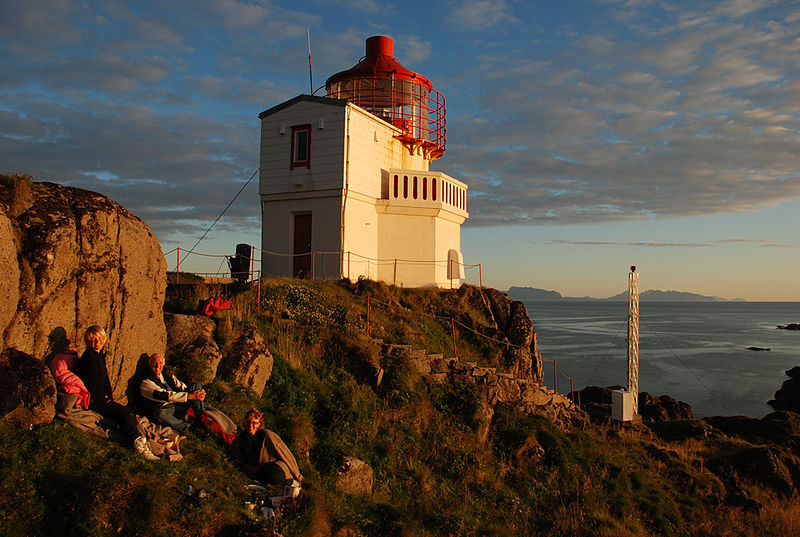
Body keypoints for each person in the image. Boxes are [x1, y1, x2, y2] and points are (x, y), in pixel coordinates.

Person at [75, 325, 159, 461]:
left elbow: (105, 380)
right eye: (93, 339)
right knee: (124, 413)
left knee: (126, 413)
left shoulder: (98, 356)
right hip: (94, 399)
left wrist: (110, 397)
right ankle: (138, 445)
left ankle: (139, 440)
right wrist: (106, 399)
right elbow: (92, 384)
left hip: (102, 397)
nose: (97, 342)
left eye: (100, 338)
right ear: (88, 341)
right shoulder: (89, 358)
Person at [231, 408, 303, 496]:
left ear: (259, 424)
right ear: (245, 422)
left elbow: (284, 453)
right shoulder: (241, 438)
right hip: (258, 470)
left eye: (254, 423)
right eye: (248, 422)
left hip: (275, 466)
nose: (251, 425)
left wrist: (298, 476)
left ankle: (291, 485)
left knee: (275, 475)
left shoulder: (267, 435)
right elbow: (236, 455)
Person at [139, 353, 206, 434]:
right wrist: (189, 396)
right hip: (164, 409)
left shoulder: (165, 374)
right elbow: (165, 396)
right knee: (161, 415)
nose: (158, 366)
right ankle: (189, 428)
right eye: (155, 363)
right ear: (150, 365)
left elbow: (180, 385)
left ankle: (200, 419)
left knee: (196, 386)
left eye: (160, 363)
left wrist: (198, 393)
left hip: (177, 405)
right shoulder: (146, 382)